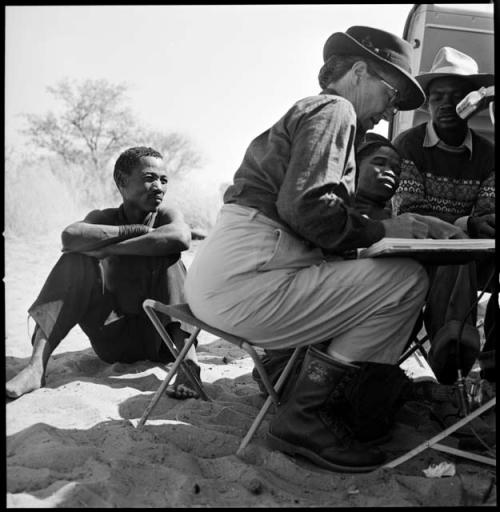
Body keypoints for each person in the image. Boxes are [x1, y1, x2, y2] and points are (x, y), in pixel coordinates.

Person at [184, 26, 465, 472]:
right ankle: (307, 414)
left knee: (376, 280)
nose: (392, 108)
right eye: (392, 94)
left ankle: (316, 402)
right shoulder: (336, 109)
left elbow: (305, 212)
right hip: (247, 283)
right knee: (406, 281)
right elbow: (308, 209)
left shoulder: (315, 112)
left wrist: (383, 228)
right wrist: (388, 228)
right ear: (358, 71)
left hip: (221, 279)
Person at [6, 146, 201, 400]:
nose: (159, 187)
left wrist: (110, 249)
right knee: (75, 261)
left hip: (161, 340)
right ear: (122, 182)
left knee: (170, 256)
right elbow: (71, 236)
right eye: (150, 178)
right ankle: (35, 367)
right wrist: (133, 231)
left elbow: (181, 237)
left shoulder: (165, 215)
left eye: (164, 180)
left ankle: (188, 366)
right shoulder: (103, 217)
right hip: (113, 337)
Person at [392, 47, 496, 387]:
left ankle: (484, 362)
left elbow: (487, 212)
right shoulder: (408, 145)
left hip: (475, 259)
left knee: (463, 251)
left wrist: (473, 227)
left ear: (475, 102)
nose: (446, 104)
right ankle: (453, 342)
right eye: (438, 97)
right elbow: (409, 211)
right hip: (417, 252)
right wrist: (465, 227)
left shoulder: (489, 155)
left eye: (457, 96)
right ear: (427, 104)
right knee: (456, 248)